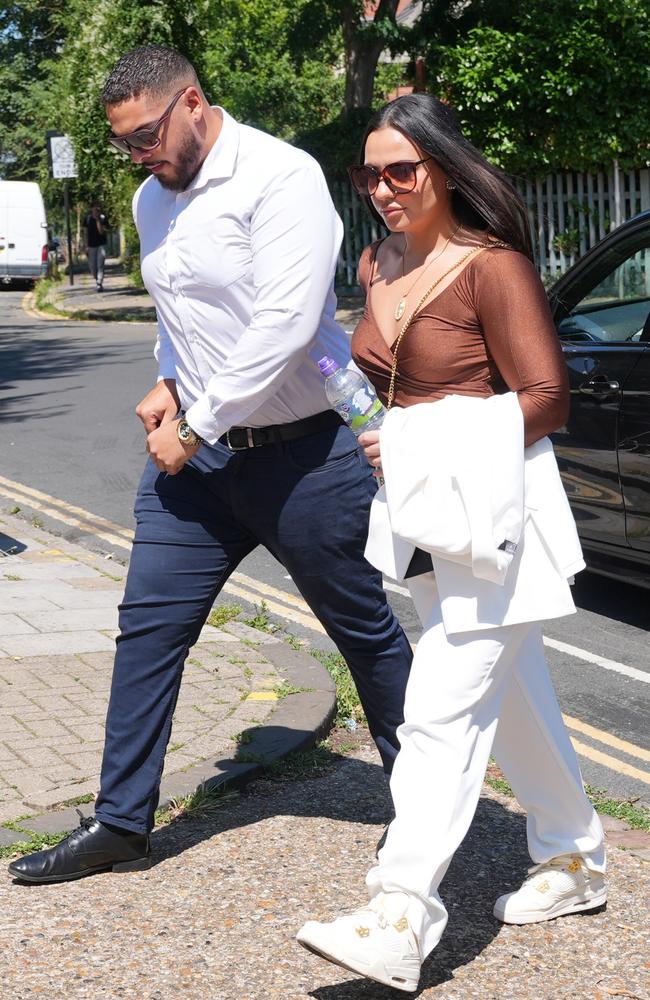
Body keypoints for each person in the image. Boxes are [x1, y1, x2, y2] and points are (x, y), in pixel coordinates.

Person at [8, 45, 413, 885]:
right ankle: (121, 823)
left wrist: (193, 422)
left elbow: (287, 322)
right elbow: (180, 309)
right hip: (200, 470)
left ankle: (424, 808)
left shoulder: (281, 176)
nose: (139, 155)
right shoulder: (150, 197)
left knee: (364, 635)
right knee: (148, 629)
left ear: (192, 102)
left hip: (305, 457)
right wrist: (167, 376)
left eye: (147, 135)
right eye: (124, 144)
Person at [296, 93, 606, 993]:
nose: (384, 189)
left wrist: (418, 439)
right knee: (517, 707)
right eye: (369, 174)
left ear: (442, 167)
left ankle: (400, 912)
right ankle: (578, 860)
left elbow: (547, 401)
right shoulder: (381, 260)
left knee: (437, 710)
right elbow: (372, 377)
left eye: (401, 170)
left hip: (497, 522)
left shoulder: (490, 267)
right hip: (433, 520)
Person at [84, 202, 109, 291]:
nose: (96, 210)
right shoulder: (87, 219)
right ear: (91, 209)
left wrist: (98, 220)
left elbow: (101, 232)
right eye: (95, 208)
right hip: (91, 246)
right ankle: (97, 280)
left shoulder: (103, 218)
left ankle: (99, 283)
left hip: (101, 245)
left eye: (98, 208)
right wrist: (86, 246)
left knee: (100, 265)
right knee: (93, 267)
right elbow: (85, 233)